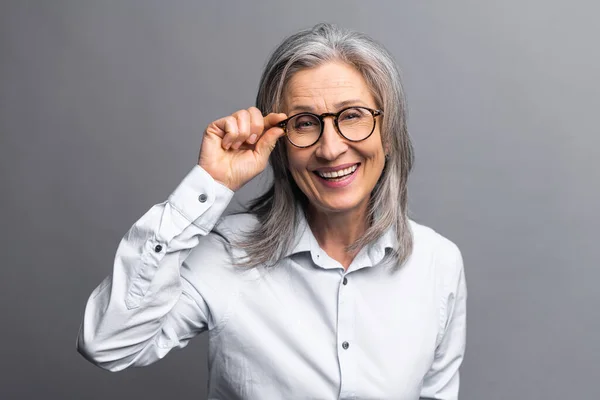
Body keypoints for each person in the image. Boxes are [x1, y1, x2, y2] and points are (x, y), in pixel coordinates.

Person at [77, 23, 467, 400]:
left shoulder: (439, 263)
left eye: (352, 116)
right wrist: (211, 184)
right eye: (304, 123)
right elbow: (108, 344)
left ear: (389, 132)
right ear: (278, 144)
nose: (330, 149)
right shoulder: (227, 253)